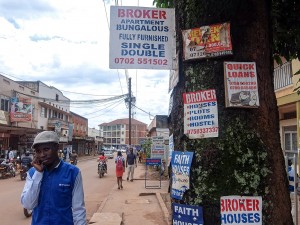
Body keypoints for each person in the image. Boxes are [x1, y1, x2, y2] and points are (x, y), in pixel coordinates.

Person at [21, 131, 86, 225]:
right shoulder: (32, 173)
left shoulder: (73, 172)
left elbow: (78, 209)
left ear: (57, 147)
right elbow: (28, 204)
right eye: (38, 151)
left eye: (46, 149)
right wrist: (39, 174)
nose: (42, 154)